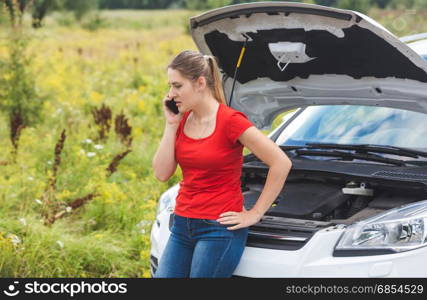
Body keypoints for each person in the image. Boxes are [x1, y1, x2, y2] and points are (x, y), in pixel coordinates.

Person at [152, 50, 292, 278]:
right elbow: (161, 173)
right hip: (182, 225)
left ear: (199, 83)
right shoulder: (183, 118)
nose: (171, 94)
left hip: (217, 230)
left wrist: (255, 213)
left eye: (178, 86)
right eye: (170, 86)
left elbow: (280, 162)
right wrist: (171, 124)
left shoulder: (231, 121)